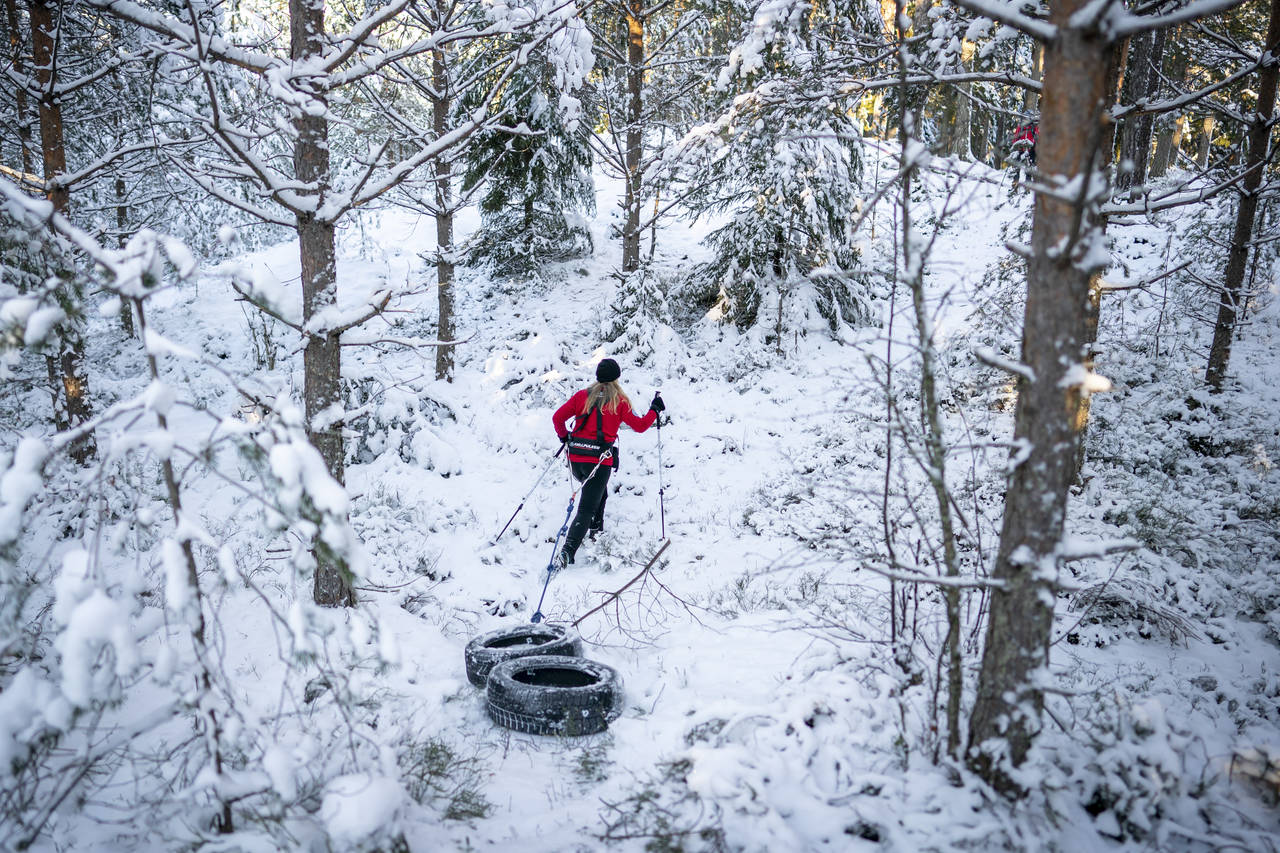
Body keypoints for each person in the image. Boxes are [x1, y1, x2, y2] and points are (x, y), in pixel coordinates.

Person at [551, 358, 664, 568]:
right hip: (600, 461)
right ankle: (567, 552)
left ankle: (596, 529)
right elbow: (639, 427)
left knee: (599, 493)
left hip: (576, 459)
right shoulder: (619, 401)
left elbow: (557, 417)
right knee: (586, 507)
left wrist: (564, 437)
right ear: (617, 378)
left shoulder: (581, 396)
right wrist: (654, 410)